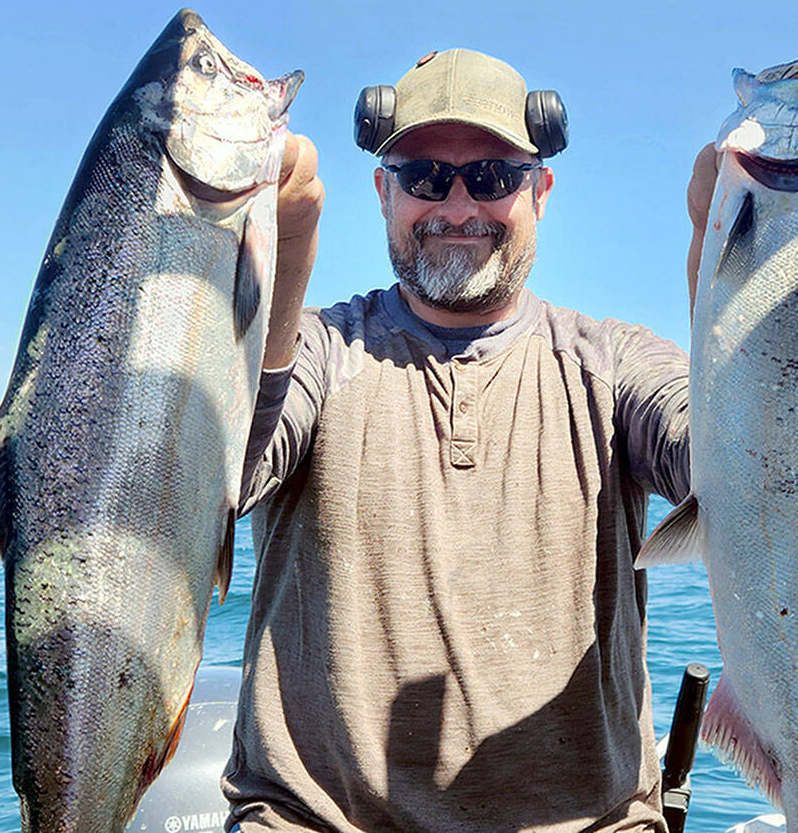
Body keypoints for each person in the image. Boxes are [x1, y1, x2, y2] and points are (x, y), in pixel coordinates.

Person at [222, 47, 717, 833]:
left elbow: (750, 482)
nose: (457, 207)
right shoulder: (316, 349)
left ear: (541, 191)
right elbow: (224, 477)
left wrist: (731, 261)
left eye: (491, 176)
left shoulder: (616, 361)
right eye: (424, 177)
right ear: (383, 192)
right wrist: (276, 261)